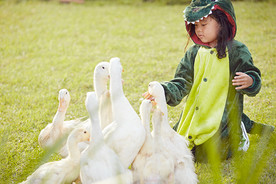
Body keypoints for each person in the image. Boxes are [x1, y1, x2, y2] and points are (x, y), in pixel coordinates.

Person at [144, 0, 274, 162]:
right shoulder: (192, 53)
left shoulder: (237, 51)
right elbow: (181, 83)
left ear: (222, 22)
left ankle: (239, 130)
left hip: (223, 121)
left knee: (211, 156)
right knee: (179, 150)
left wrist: (251, 80)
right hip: (195, 117)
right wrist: (162, 90)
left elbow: (252, 76)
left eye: (204, 25)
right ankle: (243, 123)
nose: (198, 30)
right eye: (195, 26)